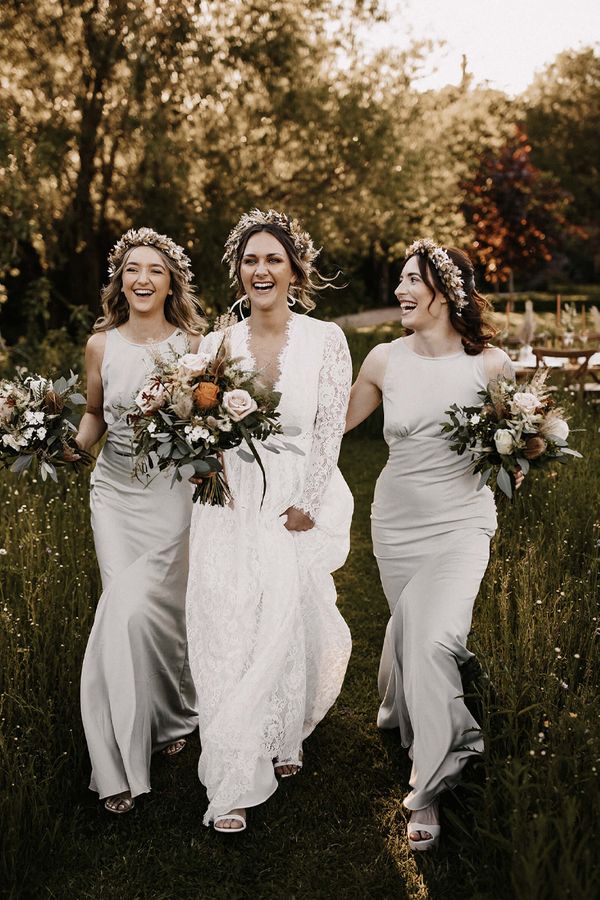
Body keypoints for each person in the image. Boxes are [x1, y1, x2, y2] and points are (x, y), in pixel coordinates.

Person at [345, 238, 518, 851]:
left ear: (445, 291)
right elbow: (325, 427)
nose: (400, 291)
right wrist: (237, 415)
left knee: (435, 635)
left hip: (462, 525)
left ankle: (430, 786)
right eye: (399, 279)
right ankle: (404, 708)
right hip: (395, 524)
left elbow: (514, 447)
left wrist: (522, 457)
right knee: (410, 625)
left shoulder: (490, 366)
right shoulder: (383, 361)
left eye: (411, 280)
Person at [185, 209, 353, 833]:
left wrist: (310, 500)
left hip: (292, 498)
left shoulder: (326, 340)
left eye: (273, 259)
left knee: (283, 613)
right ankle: (233, 769)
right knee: (229, 618)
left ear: (293, 270)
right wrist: (202, 464)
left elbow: (329, 428)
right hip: (226, 497)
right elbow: (197, 428)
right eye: (251, 260)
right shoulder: (215, 346)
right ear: (238, 271)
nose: (261, 270)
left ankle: (282, 734)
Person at [76, 227, 206, 814]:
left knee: (163, 617)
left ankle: (174, 713)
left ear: (171, 280)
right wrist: (53, 444)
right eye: (132, 269)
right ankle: (117, 761)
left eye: (154, 269)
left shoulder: (195, 345)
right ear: (120, 280)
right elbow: (96, 414)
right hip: (115, 495)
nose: (142, 279)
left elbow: (210, 427)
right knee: (122, 612)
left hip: (175, 494)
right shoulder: (101, 345)